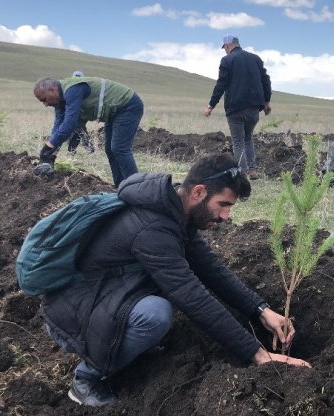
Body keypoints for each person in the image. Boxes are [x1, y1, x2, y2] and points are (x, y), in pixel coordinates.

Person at [41, 153, 310, 407]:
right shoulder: (153, 227)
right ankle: (87, 378)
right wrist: (259, 355)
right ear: (198, 192)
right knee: (157, 314)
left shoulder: (175, 214)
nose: (226, 216)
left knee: (165, 299)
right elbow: (192, 296)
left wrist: (261, 310)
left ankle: (124, 344)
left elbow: (212, 270)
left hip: (103, 296)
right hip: (73, 315)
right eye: (224, 205)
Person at [33, 76, 143, 186]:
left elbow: (70, 123)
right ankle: (121, 187)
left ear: (52, 90)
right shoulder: (60, 100)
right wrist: (52, 153)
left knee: (119, 148)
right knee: (110, 149)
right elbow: (58, 126)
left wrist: (48, 147)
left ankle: (135, 188)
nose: (45, 105)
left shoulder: (73, 90)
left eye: (44, 99)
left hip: (128, 105)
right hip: (114, 113)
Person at [202, 34, 272, 180]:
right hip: (254, 108)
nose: (225, 51)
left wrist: (211, 106)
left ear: (227, 46)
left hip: (235, 108)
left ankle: (242, 172)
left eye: (224, 48)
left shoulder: (227, 60)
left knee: (238, 141)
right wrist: (266, 102)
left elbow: (221, 84)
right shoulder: (256, 59)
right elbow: (266, 80)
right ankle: (252, 170)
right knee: (248, 139)